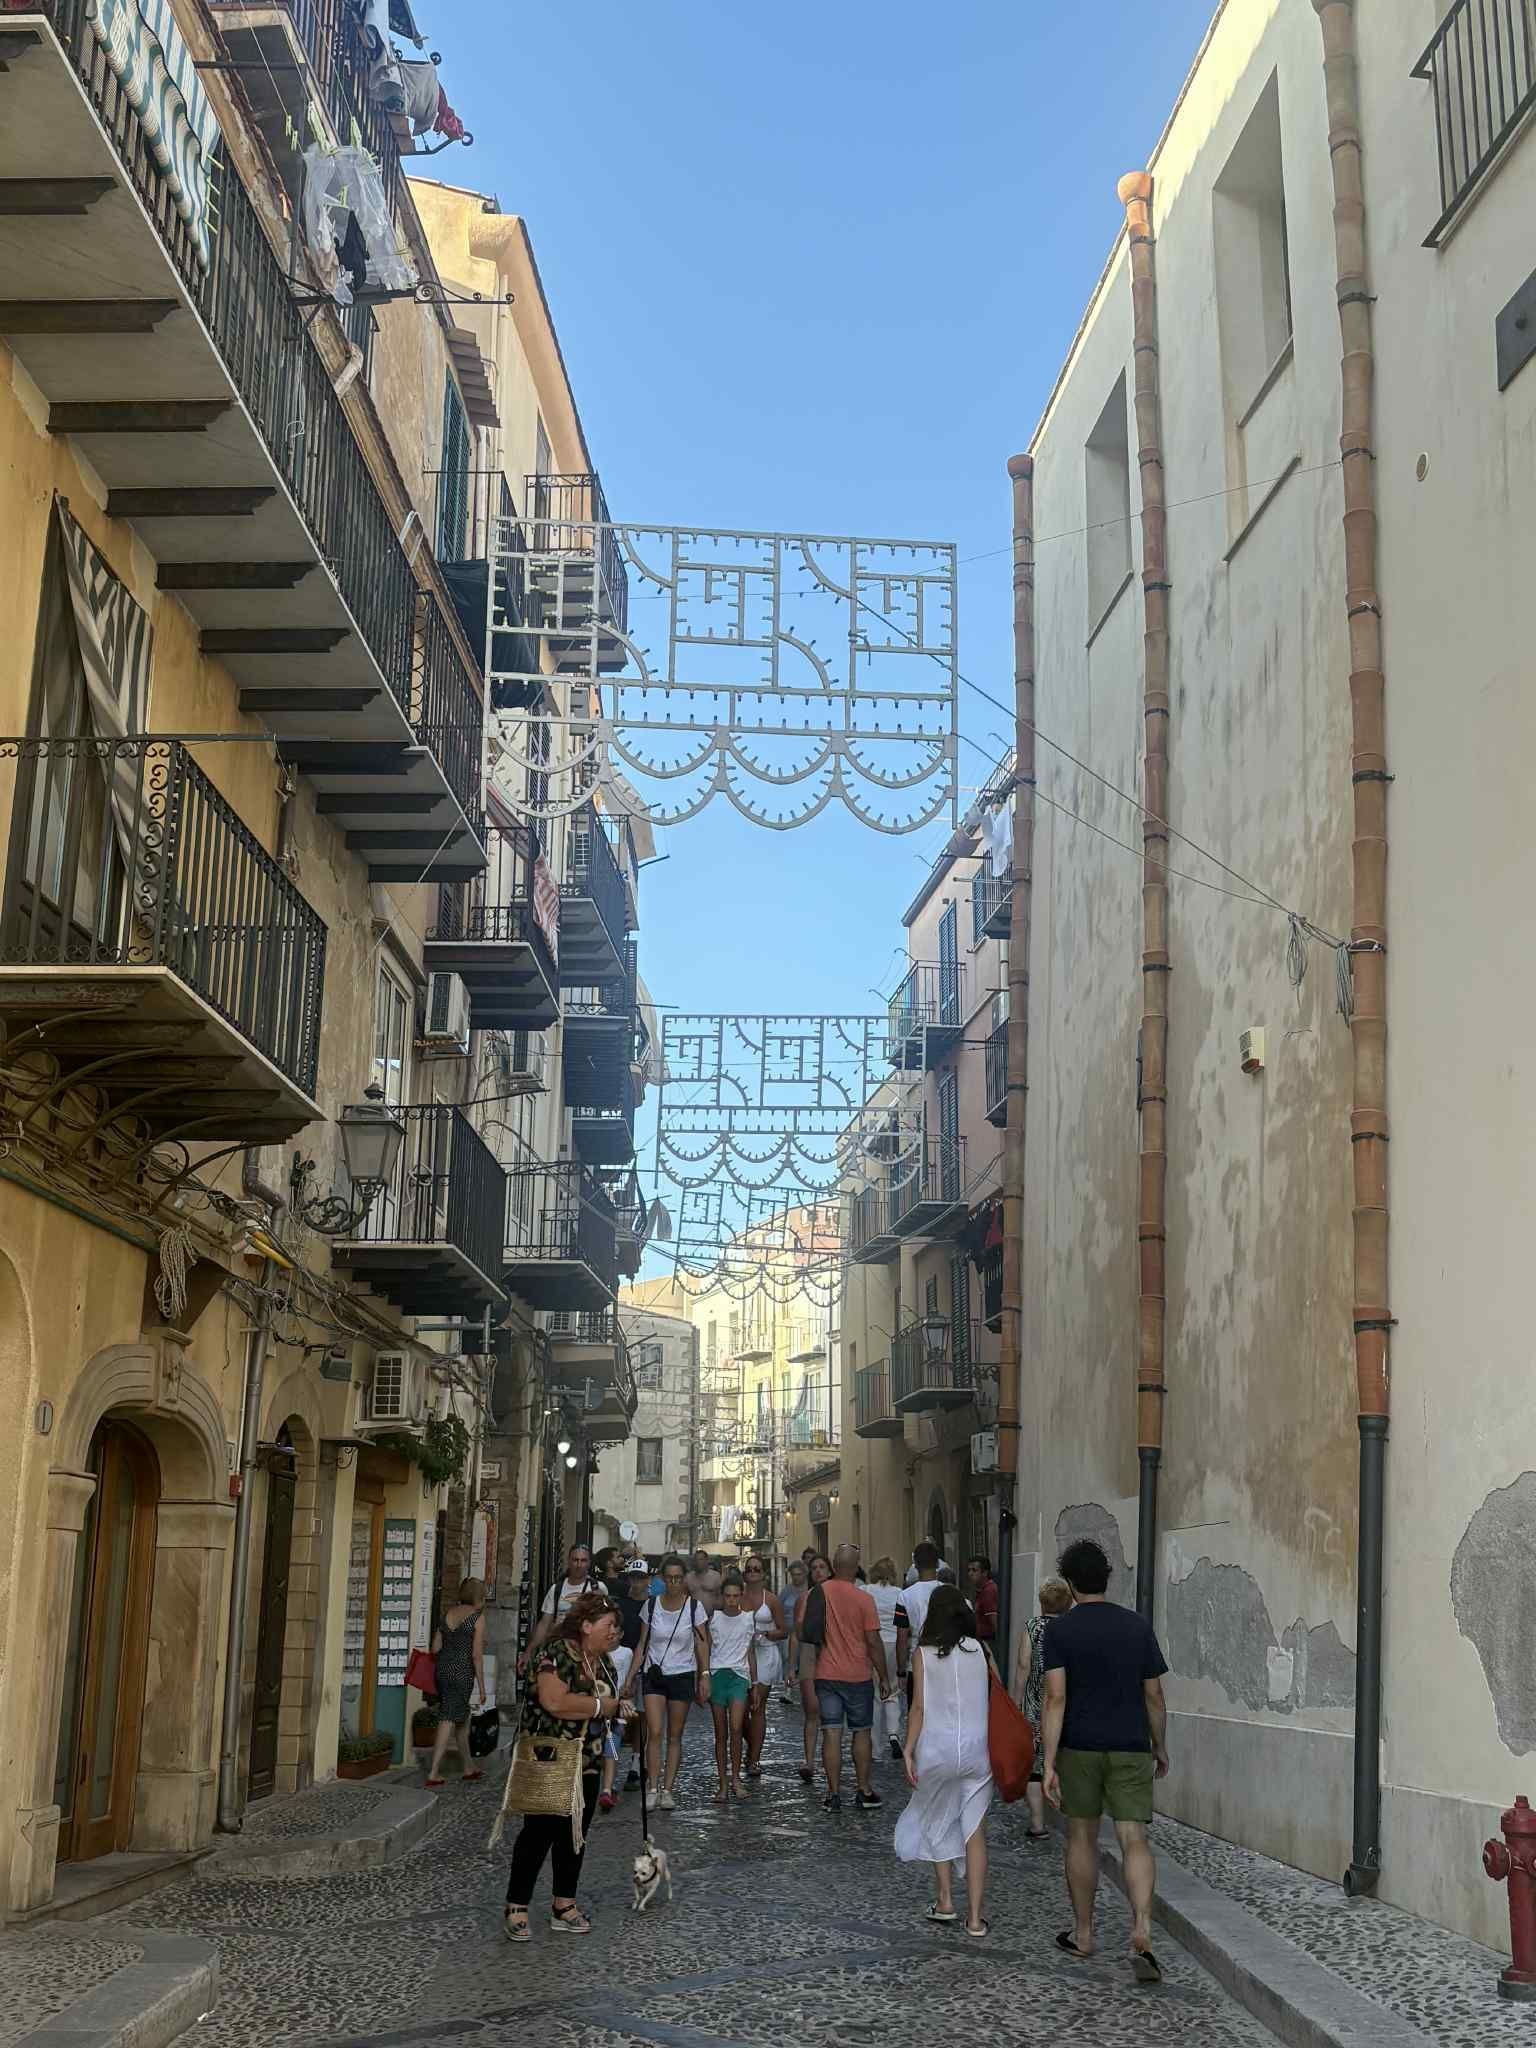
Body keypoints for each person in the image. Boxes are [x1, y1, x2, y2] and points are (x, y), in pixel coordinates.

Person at [1042, 1537, 1170, 1984]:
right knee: (1134, 1839)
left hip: (1080, 1746)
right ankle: (1142, 1930)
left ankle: (1083, 1934)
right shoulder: (1137, 1627)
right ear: (1106, 1578)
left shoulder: (1059, 1631)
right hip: (1131, 1745)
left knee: (1081, 1837)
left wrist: (1049, 1759)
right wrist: (1160, 1745)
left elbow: (1055, 1697)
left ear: (1071, 1584)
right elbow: (1154, 1695)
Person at [499, 1591, 633, 1940]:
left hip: (587, 1758)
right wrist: (602, 1707)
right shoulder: (555, 1652)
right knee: (538, 1832)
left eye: (616, 1627)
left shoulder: (604, 1662)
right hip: (551, 1757)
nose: (614, 1632)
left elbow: (607, 1704)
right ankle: (517, 1905)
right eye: (609, 1625)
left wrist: (617, 1709)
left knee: (575, 1835)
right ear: (586, 1625)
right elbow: (554, 1701)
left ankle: (564, 1904)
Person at [895, 1583, 994, 1936]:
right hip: (976, 1750)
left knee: (937, 1820)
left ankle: (946, 1900)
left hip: (936, 1749)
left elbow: (919, 1707)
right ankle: (976, 1918)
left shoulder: (923, 1654)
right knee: (974, 1830)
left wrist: (908, 1749)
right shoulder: (980, 1650)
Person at [813, 1544, 891, 1812]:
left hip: (826, 1672)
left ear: (834, 1565)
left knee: (831, 1732)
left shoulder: (819, 1593)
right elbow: (873, 1640)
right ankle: (863, 1789)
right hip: (858, 1675)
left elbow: (805, 1629)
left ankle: (833, 1794)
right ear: (856, 1567)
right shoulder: (864, 1599)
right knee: (861, 1732)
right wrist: (883, 1676)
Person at [629, 1553, 710, 1811]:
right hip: (654, 1674)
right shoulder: (651, 1606)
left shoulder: (694, 1608)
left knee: (675, 1735)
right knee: (654, 1731)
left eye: (678, 1578)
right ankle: (652, 1786)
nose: (674, 1583)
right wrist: (631, 1676)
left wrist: (704, 1675)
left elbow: (702, 1643)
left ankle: (668, 1789)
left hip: (683, 1674)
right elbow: (642, 1643)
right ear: (663, 1579)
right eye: (669, 1578)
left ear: (683, 1579)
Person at [1022, 1575, 1073, 1839]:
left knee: (1035, 1764)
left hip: (1034, 1701)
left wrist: (1016, 1698)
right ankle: (1069, 1814)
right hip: (1065, 1700)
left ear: (1042, 1603)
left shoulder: (1032, 1627)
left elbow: (1023, 1666)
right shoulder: (1071, 1628)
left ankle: (1038, 1823)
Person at [599, 1561, 652, 1811]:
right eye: (633, 1577)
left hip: (644, 1666)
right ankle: (609, 1767)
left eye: (641, 1577)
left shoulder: (652, 1606)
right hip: (618, 1665)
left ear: (648, 1579)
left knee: (640, 1718)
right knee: (616, 1722)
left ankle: (636, 1763)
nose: (637, 1581)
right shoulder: (619, 1604)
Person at [424, 1576, 487, 1787]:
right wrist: (482, 1685)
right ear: (479, 1597)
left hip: (443, 1670)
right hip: (462, 1672)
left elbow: (435, 1648)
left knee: (462, 1719)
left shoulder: (448, 1614)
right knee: (449, 1717)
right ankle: (433, 1771)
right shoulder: (477, 1618)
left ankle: (468, 1766)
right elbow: (477, 1655)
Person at [707, 1573, 757, 1800]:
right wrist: (704, 1677)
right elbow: (706, 1649)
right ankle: (723, 1783)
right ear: (722, 1596)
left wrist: (754, 1684)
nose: (731, 1600)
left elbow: (751, 1651)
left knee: (736, 1727)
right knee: (720, 1733)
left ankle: (736, 1778)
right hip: (718, 1674)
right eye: (728, 1596)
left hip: (739, 1675)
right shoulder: (714, 1619)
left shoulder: (748, 1618)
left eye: (735, 1596)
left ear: (741, 1596)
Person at [739, 1556, 787, 1776]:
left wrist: (766, 1634)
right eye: (749, 1569)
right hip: (740, 1656)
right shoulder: (736, 1597)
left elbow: (784, 1630)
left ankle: (754, 1759)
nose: (752, 1572)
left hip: (765, 1653)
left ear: (764, 1573)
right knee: (740, 1710)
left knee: (757, 1706)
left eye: (756, 1569)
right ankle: (751, 1745)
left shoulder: (773, 1600)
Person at [520, 1544, 598, 1672]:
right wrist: (529, 1651)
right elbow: (544, 1624)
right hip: (559, 1649)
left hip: (585, 1651)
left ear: (589, 1563)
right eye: (575, 1560)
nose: (579, 1565)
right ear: (569, 1561)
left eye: (583, 1560)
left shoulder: (597, 1589)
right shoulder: (556, 1589)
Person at [797, 1553, 832, 1783]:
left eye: (822, 1567)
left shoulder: (837, 1595)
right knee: (812, 1709)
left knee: (831, 1714)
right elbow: (797, 1632)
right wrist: (792, 1667)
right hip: (810, 1653)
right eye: (814, 1568)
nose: (818, 1571)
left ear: (829, 1570)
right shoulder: (806, 1597)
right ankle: (809, 1761)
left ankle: (829, 1760)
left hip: (833, 1652)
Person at [868, 1557, 905, 1759]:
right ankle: (893, 1734)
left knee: (875, 1696)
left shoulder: (867, 1590)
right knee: (893, 1692)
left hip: (874, 1643)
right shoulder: (900, 1594)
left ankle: (875, 1748)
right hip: (894, 1643)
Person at [894, 1542, 943, 1693]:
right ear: (937, 1563)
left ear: (914, 1564)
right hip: (944, 1662)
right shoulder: (948, 1592)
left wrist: (901, 1671)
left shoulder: (905, 1596)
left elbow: (902, 1638)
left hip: (916, 1664)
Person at [780, 1557, 809, 1705]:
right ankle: (788, 1690)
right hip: (788, 1632)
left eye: (799, 1574)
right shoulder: (786, 1590)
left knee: (804, 1663)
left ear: (804, 1574)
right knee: (788, 1660)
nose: (796, 1577)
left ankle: (806, 1690)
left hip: (804, 1634)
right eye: (794, 1575)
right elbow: (779, 1608)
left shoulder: (809, 1589)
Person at [966, 1556, 999, 1643]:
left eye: (974, 1570)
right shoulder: (979, 1590)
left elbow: (995, 1622)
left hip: (988, 1641)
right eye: (969, 1570)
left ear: (984, 1573)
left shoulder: (989, 1591)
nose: (970, 1573)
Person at [686, 1547, 723, 1615]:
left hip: (711, 1615)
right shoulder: (688, 1577)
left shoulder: (715, 1576)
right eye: (696, 1560)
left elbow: (721, 1595)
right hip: (693, 1616)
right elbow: (684, 1596)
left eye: (700, 1559)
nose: (698, 1562)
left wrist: (718, 1610)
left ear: (706, 1560)